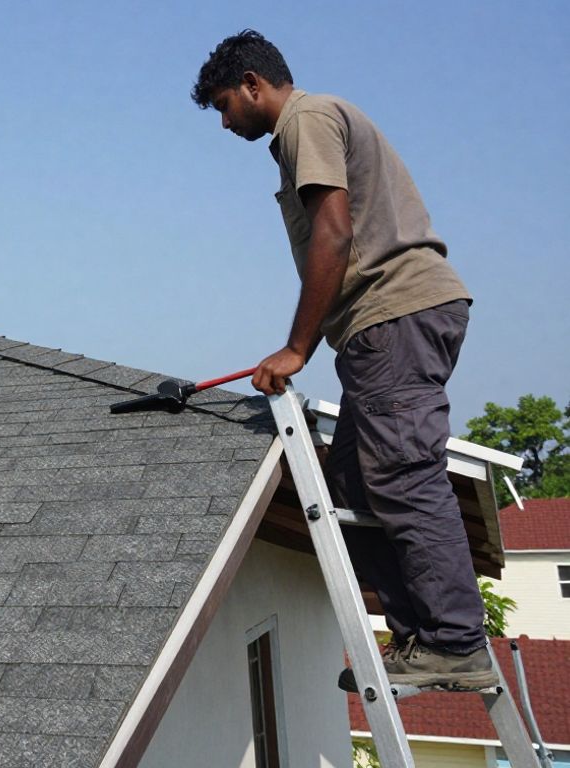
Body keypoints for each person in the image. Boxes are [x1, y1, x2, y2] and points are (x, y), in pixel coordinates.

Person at [192, 31, 496, 692]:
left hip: (396, 315)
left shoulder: (307, 119)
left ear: (252, 83)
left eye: (223, 105)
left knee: (405, 478)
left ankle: (456, 642)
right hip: (379, 327)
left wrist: (297, 346)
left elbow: (333, 230)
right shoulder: (306, 130)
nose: (223, 122)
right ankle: (419, 638)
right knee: (356, 483)